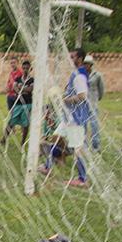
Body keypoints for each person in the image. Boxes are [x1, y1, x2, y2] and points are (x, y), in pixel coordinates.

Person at [40, 48, 90, 187]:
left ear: (80, 59)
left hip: (77, 119)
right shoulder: (75, 74)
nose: (70, 59)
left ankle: (83, 179)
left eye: (73, 57)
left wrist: (65, 100)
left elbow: (82, 96)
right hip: (69, 117)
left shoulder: (80, 76)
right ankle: (48, 166)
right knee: (55, 137)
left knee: (77, 149)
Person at [1, 60, 32, 146]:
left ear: (30, 69)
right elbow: (15, 88)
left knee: (26, 124)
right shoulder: (18, 79)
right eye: (24, 68)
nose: (25, 69)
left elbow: (30, 89)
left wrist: (21, 88)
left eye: (27, 68)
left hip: (28, 104)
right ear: (22, 68)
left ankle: (22, 142)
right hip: (18, 103)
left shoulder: (32, 80)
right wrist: (23, 89)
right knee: (11, 121)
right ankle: (3, 139)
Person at [84, 55, 105, 150]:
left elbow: (101, 90)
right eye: (84, 64)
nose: (85, 65)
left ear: (91, 64)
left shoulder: (97, 75)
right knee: (83, 125)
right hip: (83, 103)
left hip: (93, 102)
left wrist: (96, 99)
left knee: (94, 125)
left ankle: (96, 145)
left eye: (87, 64)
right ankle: (83, 145)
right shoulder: (81, 74)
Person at [5, 57, 21, 121]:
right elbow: (8, 83)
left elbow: (20, 84)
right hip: (10, 96)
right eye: (11, 63)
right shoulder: (11, 73)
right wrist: (7, 88)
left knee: (17, 112)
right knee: (11, 112)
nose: (12, 64)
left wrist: (15, 90)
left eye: (14, 63)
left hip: (16, 96)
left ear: (17, 63)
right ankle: (13, 129)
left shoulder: (20, 72)